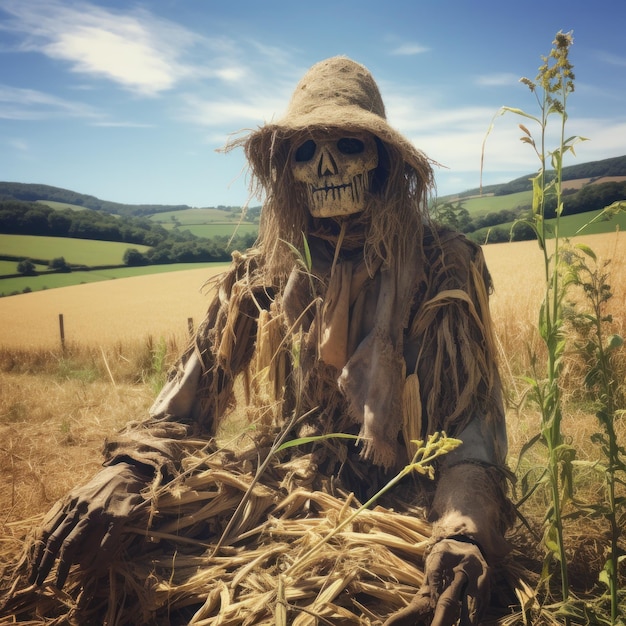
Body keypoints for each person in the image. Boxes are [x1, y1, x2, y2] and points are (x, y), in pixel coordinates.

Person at [17, 57, 515, 625]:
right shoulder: (266, 272)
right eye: (305, 152)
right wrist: (129, 469)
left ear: (382, 160)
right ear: (287, 170)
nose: (326, 166)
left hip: (408, 494)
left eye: (348, 144)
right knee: (126, 575)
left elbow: (476, 425)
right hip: (292, 483)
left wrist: (463, 533)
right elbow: (190, 392)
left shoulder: (443, 266)